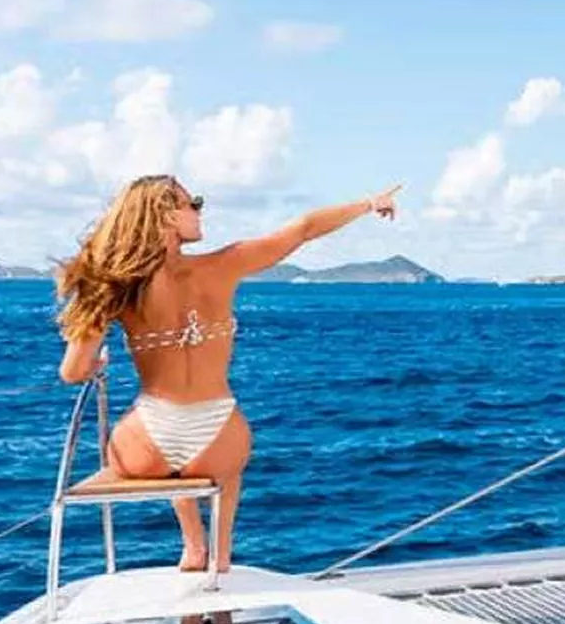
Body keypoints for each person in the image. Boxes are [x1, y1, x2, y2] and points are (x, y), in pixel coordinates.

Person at [54, 174, 401, 570]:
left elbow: (72, 372)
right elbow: (304, 228)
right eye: (193, 203)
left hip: (147, 439)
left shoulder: (114, 284)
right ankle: (219, 555)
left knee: (164, 461)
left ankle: (193, 546)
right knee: (226, 473)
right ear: (167, 216)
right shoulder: (223, 264)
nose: (200, 212)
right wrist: (369, 203)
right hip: (216, 429)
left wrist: (96, 366)